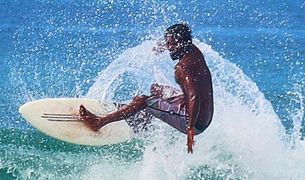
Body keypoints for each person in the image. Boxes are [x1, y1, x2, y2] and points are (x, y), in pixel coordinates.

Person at [82, 23, 216, 152]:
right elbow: (193, 94)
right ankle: (145, 119)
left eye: (173, 44)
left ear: (184, 43)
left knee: (144, 101)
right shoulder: (193, 50)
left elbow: (194, 96)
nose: (170, 48)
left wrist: (191, 128)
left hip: (193, 121)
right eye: (168, 43)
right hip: (205, 116)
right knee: (156, 89)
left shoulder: (183, 67)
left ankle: (98, 122)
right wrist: (163, 46)